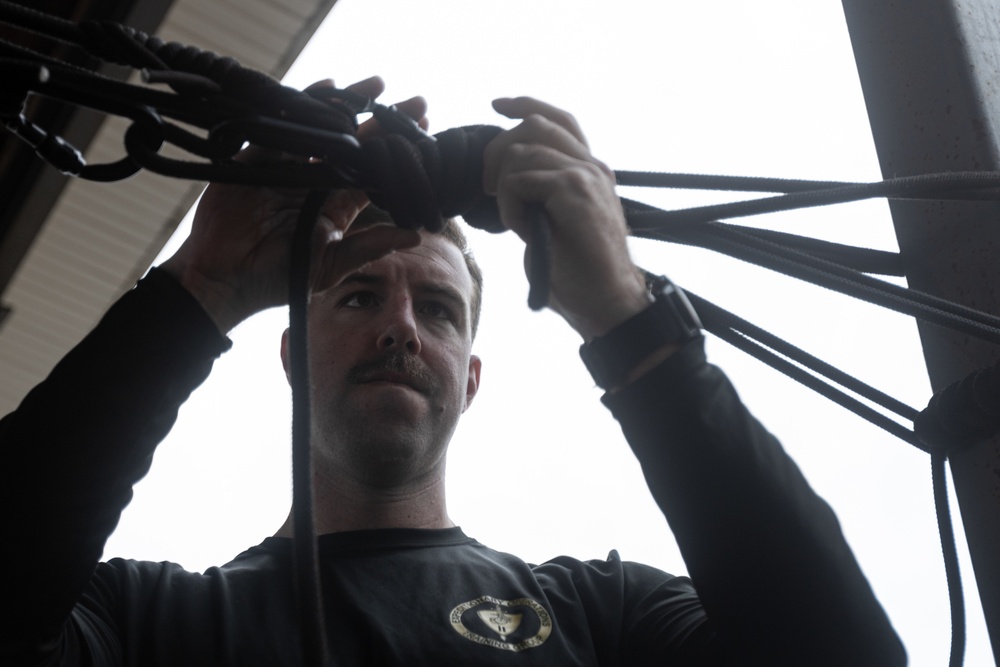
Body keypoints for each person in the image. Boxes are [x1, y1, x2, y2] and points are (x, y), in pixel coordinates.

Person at [0, 76, 906, 666]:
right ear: (291, 357)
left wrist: (627, 319)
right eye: (357, 297)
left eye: (437, 309)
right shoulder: (153, 626)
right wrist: (199, 289)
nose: (400, 325)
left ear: (470, 380)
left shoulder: (604, 618)